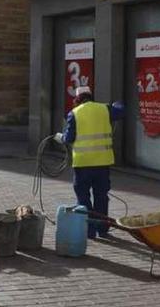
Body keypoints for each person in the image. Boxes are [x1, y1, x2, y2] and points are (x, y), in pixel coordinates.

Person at [54, 86, 124, 239]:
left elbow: (69, 138)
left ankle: (89, 230)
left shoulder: (74, 114)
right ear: (91, 96)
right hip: (102, 163)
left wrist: (61, 137)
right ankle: (103, 229)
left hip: (83, 164)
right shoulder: (104, 109)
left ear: (77, 99)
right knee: (101, 196)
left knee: (83, 197)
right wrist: (117, 103)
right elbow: (120, 110)